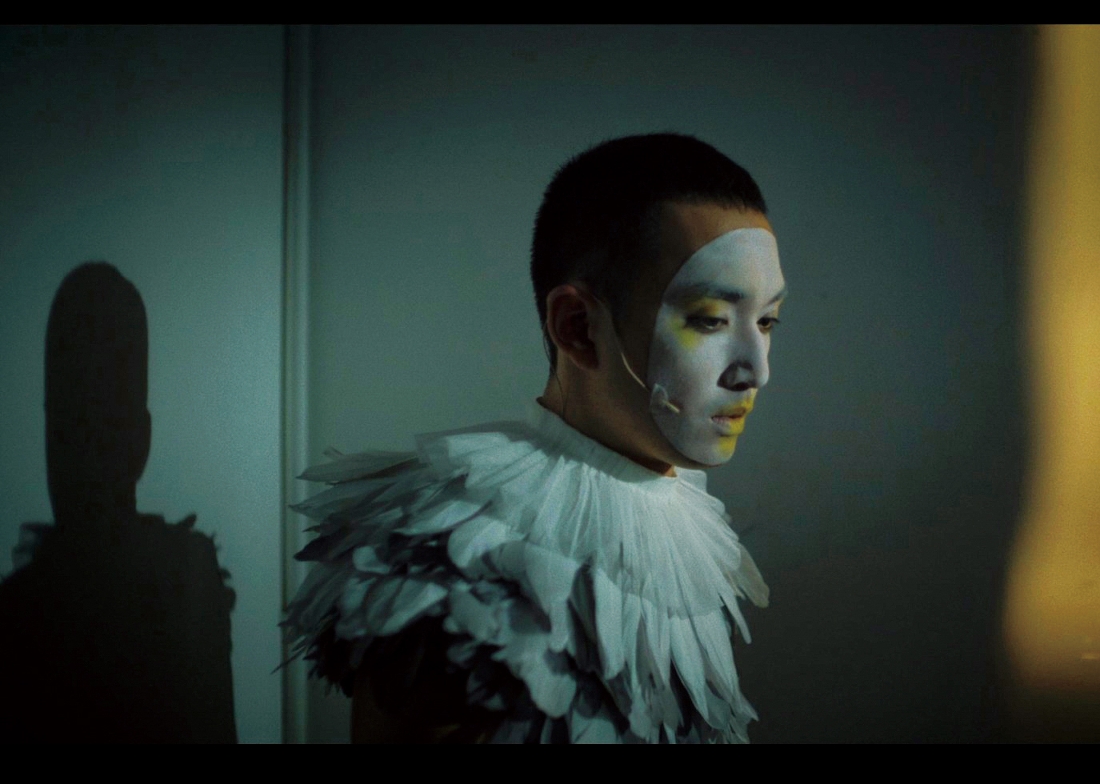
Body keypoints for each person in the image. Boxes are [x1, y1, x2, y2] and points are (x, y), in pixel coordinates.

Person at [282, 133, 787, 743]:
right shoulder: (455, 565)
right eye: (710, 320)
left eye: (767, 320)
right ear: (577, 327)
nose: (757, 370)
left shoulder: (691, 531)